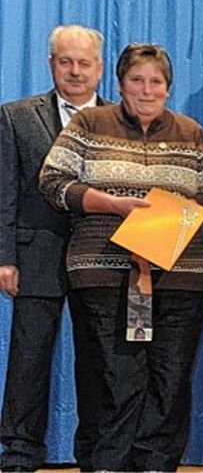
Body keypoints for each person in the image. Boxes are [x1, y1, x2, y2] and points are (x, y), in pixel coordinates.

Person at [38, 42, 203, 472]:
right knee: (112, 380)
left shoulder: (192, 132)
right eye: (136, 80)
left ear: (167, 87)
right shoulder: (89, 122)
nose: (146, 90)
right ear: (119, 84)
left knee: (170, 379)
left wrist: (183, 211)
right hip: (102, 274)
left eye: (155, 82)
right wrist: (109, 203)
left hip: (179, 276)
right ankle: (106, 465)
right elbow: (52, 181)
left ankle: (156, 466)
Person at [0, 24, 107, 473]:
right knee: (28, 360)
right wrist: (4, 257)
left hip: (102, 258)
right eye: (66, 61)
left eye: (84, 63)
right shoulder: (15, 116)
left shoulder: (118, 120)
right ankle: (19, 453)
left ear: (99, 68)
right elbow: (4, 192)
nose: (75, 71)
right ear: (51, 64)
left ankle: (98, 453)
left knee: (99, 360)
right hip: (35, 254)